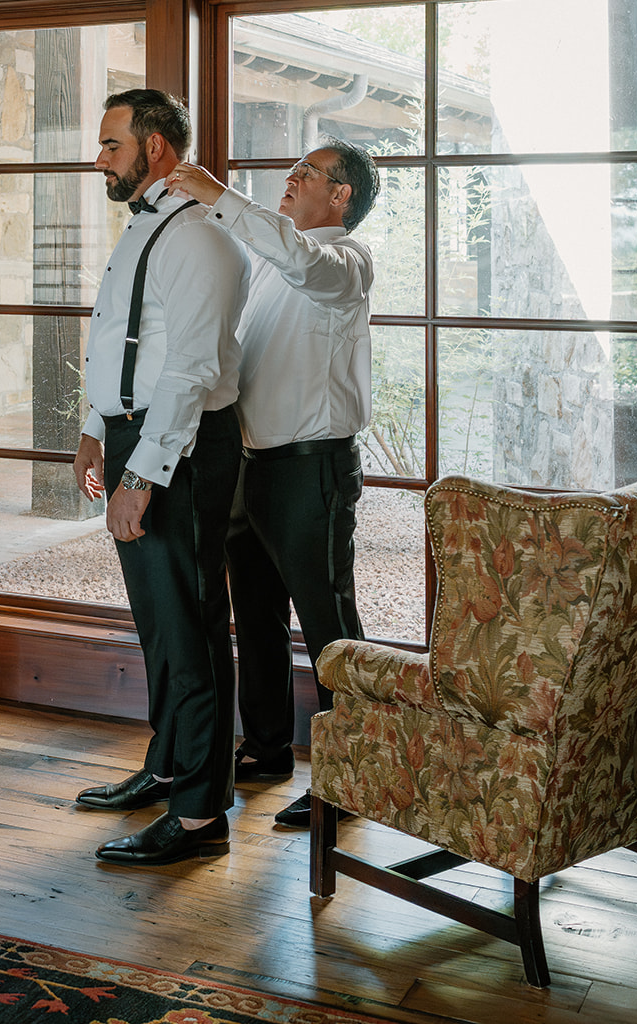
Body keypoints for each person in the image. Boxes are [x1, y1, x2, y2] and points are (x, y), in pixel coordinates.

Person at [165, 140, 379, 828]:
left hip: (311, 469)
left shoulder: (342, 262)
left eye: (306, 173)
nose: (290, 178)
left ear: (340, 195)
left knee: (329, 628)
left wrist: (214, 193)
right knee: (254, 619)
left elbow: (298, 257)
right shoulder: (269, 261)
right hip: (250, 467)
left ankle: (350, 780)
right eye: (291, 170)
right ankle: (264, 748)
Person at [71, 89, 249, 867]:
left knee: (193, 624)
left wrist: (141, 474)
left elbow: (191, 370)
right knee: (158, 624)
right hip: (131, 436)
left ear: (158, 148)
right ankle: (168, 766)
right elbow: (116, 339)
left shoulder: (200, 240)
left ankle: (202, 815)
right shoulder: (143, 229)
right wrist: (91, 434)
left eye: (112, 144)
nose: (99, 158)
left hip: (179, 446)